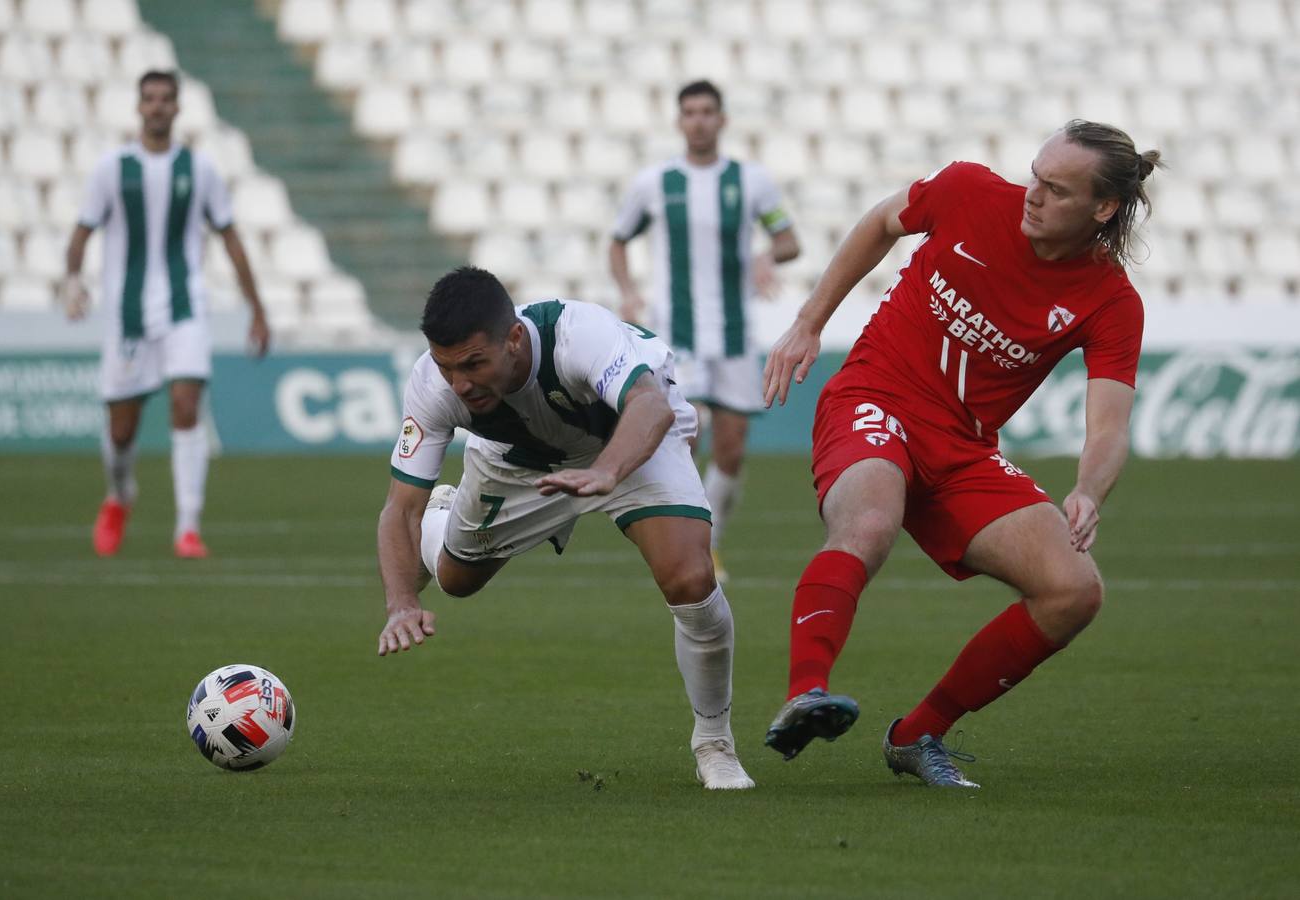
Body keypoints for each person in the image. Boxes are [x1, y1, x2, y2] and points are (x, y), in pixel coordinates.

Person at [760, 121, 1162, 787]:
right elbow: (881, 222)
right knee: (868, 522)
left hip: (964, 449)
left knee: (1074, 591)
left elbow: (1110, 426)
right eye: (1035, 175)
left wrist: (1089, 489)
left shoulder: (1111, 300)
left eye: (1056, 189)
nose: (1032, 194)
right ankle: (806, 691)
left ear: (1104, 209)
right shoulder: (968, 190)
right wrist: (809, 321)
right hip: (875, 397)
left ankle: (918, 735)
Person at [376, 266, 754, 790]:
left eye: (473, 364)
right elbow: (399, 508)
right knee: (456, 580)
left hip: (630, 440)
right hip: (516, 463)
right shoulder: (432, 384)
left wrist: (606, 471)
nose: (459, 384)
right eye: (447, 368)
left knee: (690, 579)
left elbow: (648, 406)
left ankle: (714, 743)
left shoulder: (578, 335)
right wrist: (401, 602)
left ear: (513, 340)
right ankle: (450, 515)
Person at [63, 70, 269, 559]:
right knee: (122, 429)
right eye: (149, 99)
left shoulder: (199, 170)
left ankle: (188, 527)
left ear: (177, 109)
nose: (157, 107)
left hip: (184, 308)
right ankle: (119, 496)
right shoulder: (112, 169)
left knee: (185, 403)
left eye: (165, 99)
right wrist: (73, 281)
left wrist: (256, 308)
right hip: (128, 313)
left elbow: (231, 237)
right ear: (139, 107)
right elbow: (80, 234)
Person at [610, 80, 800, 582]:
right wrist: (627, 290)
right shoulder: (654, 182)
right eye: (689, 112)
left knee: (733, 446)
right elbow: (617, 240)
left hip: (734, 333)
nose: (698, 120)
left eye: (707, 111)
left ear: (722, 119)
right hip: (678, 334)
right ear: (679, 121)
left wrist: (766, 255)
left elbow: (789, 240)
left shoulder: (751, 180)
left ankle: (709, 543)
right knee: (681, 442)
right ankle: (682, 544)